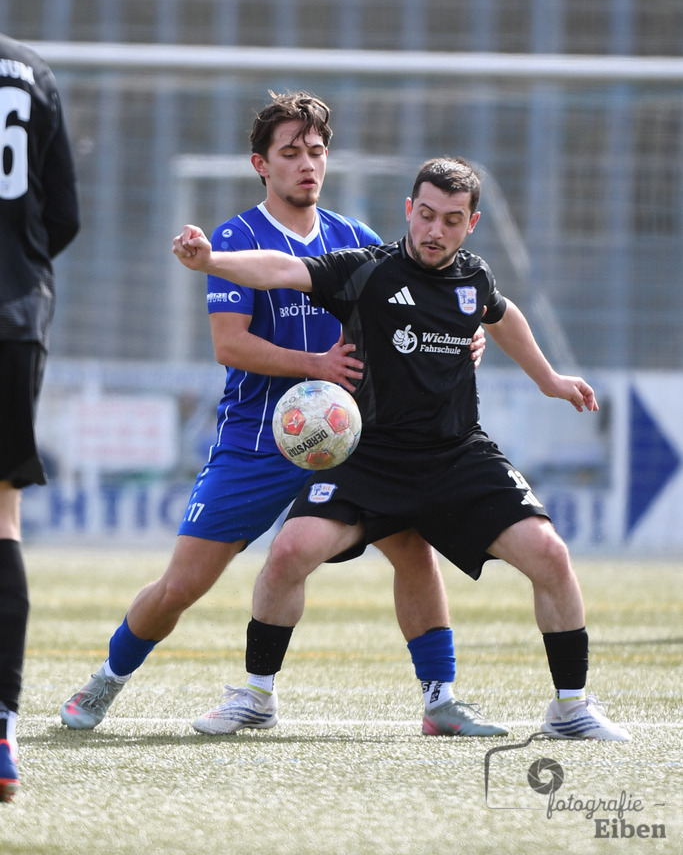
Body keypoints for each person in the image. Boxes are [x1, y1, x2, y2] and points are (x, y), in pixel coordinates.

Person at [60, 93, 502, 740]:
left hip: (352, 440)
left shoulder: (355, 239)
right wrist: (314, 366)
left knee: (411, 548)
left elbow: (419, 308)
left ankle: (439, 699)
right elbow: (228, 345)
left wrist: (469, 335)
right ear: (260, 164)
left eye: (315, 151)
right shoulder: (238, 239)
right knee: (183, 584)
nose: (306, 164)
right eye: (289, 153)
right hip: (256, 440)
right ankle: (106, 679)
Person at [172, 155, 631, 743]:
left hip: (455, 456)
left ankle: (570, 707)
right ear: (409, 211)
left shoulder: (473, 278)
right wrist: (210, 260)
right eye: (427, 215)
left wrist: (549, 379)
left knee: (551, 555)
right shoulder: (366, 271)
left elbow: (504, 313)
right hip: (368, 457)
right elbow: (280, 270)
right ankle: (257, 695)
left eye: (452, 220)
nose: (435, 231)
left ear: (471, 223)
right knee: (289, 553)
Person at [0, 34, 80, 802]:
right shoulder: (33, 70)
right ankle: (0, 731)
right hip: (14, 317)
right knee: (2, 517)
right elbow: (66, 215)